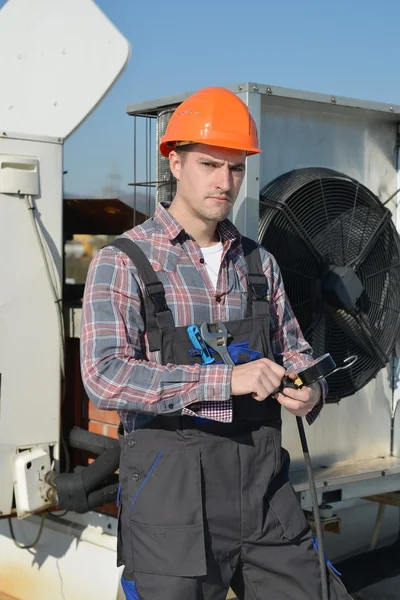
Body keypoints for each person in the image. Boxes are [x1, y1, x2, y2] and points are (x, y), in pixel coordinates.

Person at [80, 87, 351, 600]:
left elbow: (294, 350)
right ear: (175, 162)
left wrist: (309, 389)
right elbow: (104, 375)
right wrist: (226, 378)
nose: (225, 182)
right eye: (209, 164)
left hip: (264, 493)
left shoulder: (260, 263)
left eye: (236, 168)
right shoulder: (123, 262)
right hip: (171, 505)